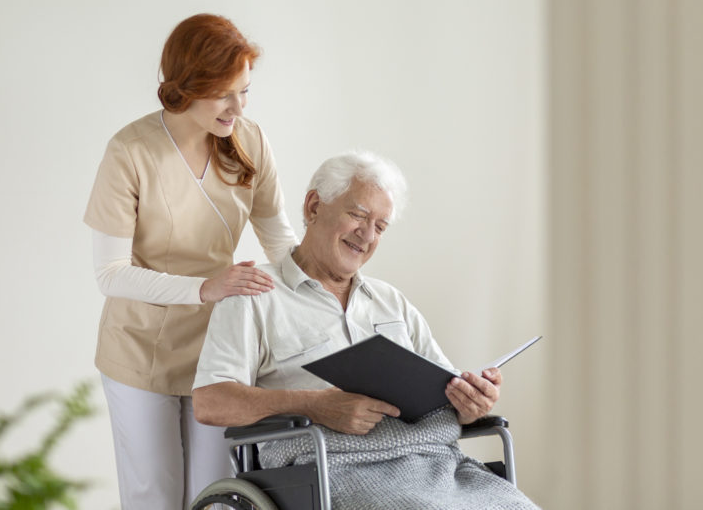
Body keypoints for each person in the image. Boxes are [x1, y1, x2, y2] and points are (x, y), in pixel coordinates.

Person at [192, 152, 540, 509]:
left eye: (380, 226)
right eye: (357, 215)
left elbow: (445, 393)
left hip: (437, 464)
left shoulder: (392, 302)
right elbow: (209, 402)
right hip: (332, 468)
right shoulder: (254, 294)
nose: (367, 234)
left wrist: (471, 404)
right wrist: (316, 405)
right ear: (313, 207)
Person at [83, 13, 298, 510]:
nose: (237, 107)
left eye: (245, 91)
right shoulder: (130, 152)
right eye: (225, 93)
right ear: (188, 86)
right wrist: (205, 288)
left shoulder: (249, 140)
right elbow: (109, 274)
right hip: (141, 351)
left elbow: (279, 241)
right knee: (154, 497)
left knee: (218, 497)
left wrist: (328, 288)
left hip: (219, 352)